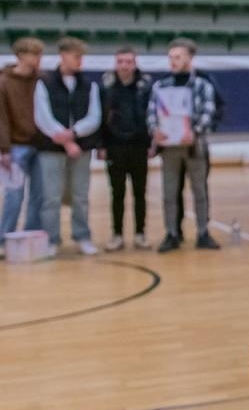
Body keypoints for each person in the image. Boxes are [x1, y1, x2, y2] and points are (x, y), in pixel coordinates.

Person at [149, 37, 222, 253]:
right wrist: (156, 131)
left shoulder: (202, 85)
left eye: (178, 57)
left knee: (200, 190)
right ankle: (171, 233)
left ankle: (202, 232)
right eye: (170, 57)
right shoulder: (160, 86)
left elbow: (209, 112)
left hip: (194, 145)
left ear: (189, 58)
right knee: (169, 192)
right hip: (169, 147)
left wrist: (195, 131)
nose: (173, 61)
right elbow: (152, 113)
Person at [33, 36, 103, 257]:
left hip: (81, 149)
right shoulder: (44, 83)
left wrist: (74, 134)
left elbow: (94, 117)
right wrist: (65, 140)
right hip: (51, 149)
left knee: (80, 195)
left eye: (82, 57)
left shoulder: (90, 85)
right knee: (51, 197)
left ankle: (82, 236)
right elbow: (42, 117)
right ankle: (51, 239)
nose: (80, 61)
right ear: (63, 55)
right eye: (76, 56)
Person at [99, 47, 153, 251]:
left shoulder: (145, 87)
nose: (124, 65)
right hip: (114, 147)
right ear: (115, 63)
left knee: (140, 192)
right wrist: (101, 145)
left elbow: (151, 116)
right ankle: (117, 234)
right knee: (117, 193)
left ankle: (140, 234)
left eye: (128, 61)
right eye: (120, 61)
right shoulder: (106, 86)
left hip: (139, 147)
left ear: (134, 63)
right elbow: (101, 118)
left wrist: (151, 144)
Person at [0, 36, 46, 252]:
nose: (38, 59)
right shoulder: (3, 82)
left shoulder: (42, 80)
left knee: (39, 195)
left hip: (40, 146)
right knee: (14, 196)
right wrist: (4, 149)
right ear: (20, 56)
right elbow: (1, 119)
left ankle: (30, 238)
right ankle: (3, 240)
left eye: (40, 54)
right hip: (15, 148)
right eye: (34, 54)